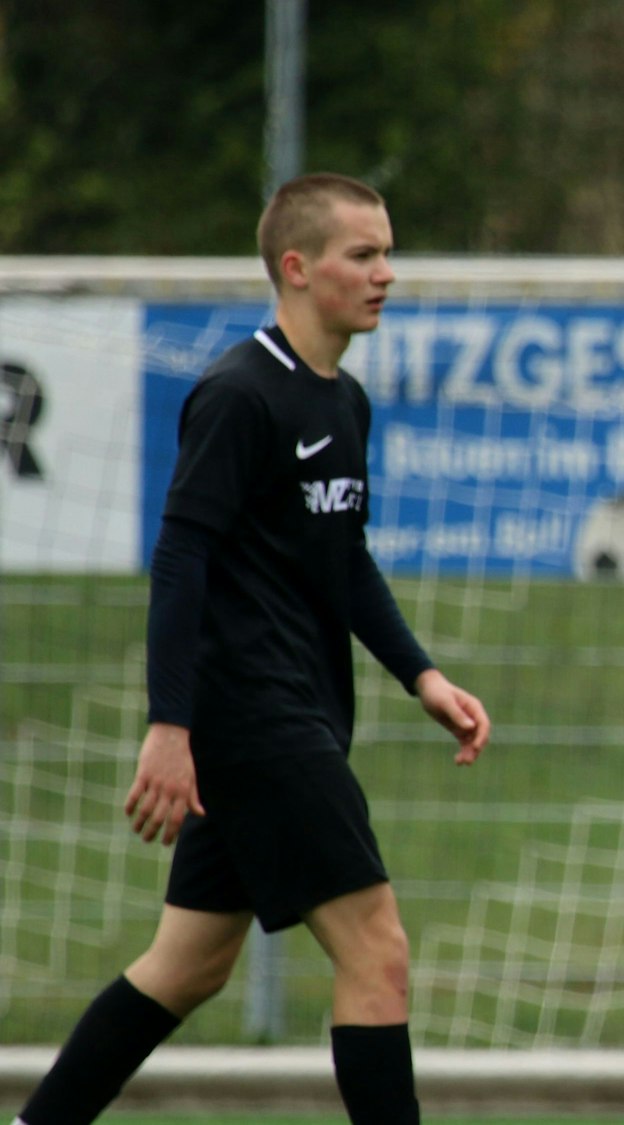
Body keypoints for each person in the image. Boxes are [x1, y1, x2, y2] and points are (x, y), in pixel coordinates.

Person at [11, 174, 491, 1125]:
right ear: (298, 267)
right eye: (364, 254)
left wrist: (422, 674)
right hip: (256, 721)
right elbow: (181, 556)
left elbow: (342, 557)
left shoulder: (343, 402)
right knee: (377, 951)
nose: (386, 273)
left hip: (293, 712)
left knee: (186, 965)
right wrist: (169, 724)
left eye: (389, 251)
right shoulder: (237, 394)